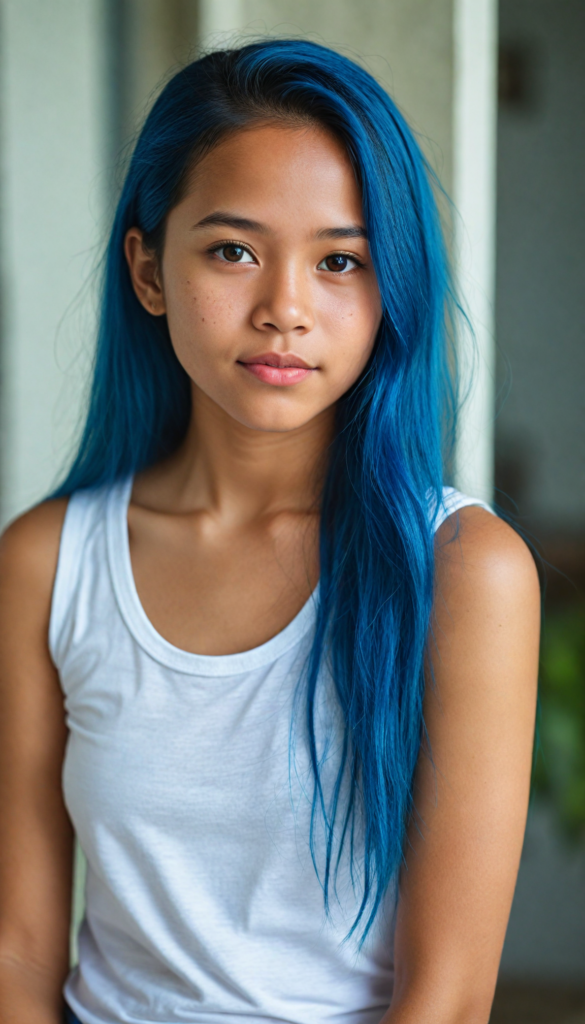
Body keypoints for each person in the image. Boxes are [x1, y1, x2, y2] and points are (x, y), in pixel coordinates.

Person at [0, 40, 540, 1024]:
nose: (284, 309)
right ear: (149, 268)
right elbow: (18, 954)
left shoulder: (465, 571)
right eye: (234, 250)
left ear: (391, 293)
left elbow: (449, 998)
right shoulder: (47, 563)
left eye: (341, 261)